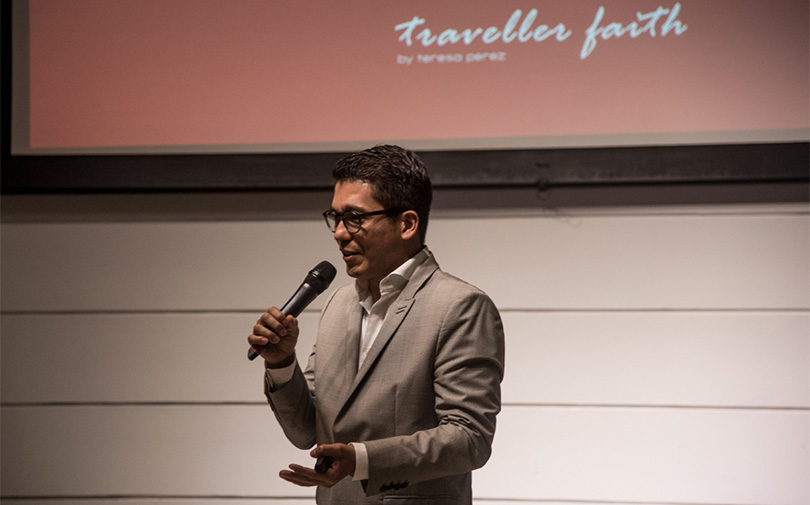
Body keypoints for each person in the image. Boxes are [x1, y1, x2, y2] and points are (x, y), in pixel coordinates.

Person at [247, 144, 505, 504]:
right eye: (335, 217)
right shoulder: (337, 304)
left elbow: (469, 439)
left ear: (407, 224)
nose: (339, 233)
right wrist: (280, 363)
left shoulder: (460, 306)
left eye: (354, 218)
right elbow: (306, 431)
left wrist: (363, 460)